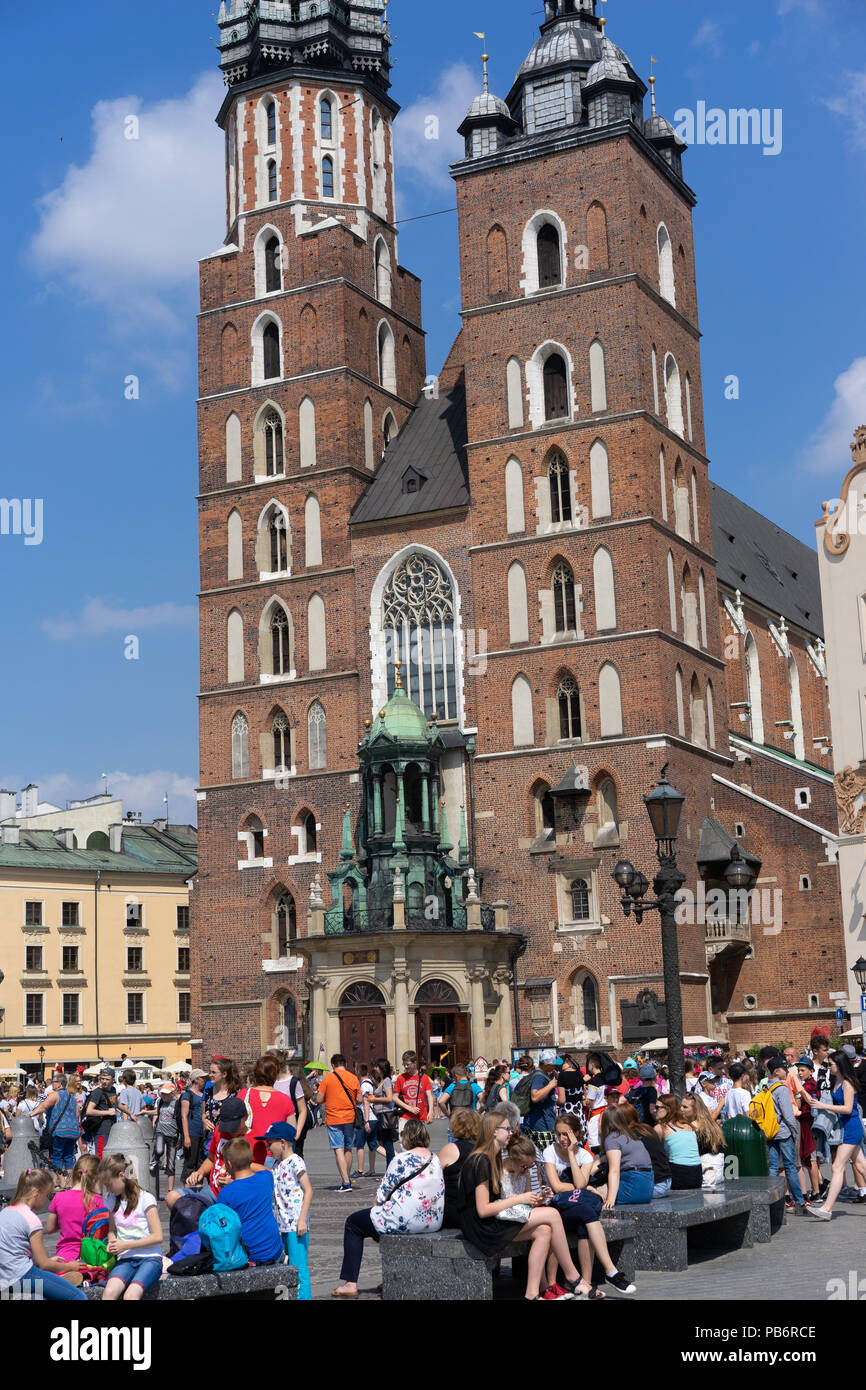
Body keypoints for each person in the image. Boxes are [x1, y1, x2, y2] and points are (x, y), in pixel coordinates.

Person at [456, 1112, 586, 1302]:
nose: (510, 1133)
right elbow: (483, 1210)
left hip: (493, 1221)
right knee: (552, 1214)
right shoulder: (481, 1160)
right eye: (507, 1129)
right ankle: (573, 1276)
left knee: (544, 1230)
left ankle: (532, 1293)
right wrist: (521, 1199)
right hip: (482, 1228)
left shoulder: (491, 1158)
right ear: (493, 1131)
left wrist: (530, 1200)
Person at [332, 1119, 444, 1298]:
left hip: (406, 1220)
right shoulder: (435, 1159)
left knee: (354, 1223)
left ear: (406, 1137)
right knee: (386, 1221)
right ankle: (395, 1277)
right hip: (432, 1221)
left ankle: (350, 1283)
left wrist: (377, 1207)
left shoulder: (401, 1159)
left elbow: (381, 1196)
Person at [539, 1116, 636, 1294]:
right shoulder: (549, 1152)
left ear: (576, 1134)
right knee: (586, 1211)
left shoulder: (583, 1155)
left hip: (574, 1209)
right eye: (559, 1134)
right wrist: (583, 1187)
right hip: (555, 1210)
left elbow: (579, 1184)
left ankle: (587, 1283)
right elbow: (558, 1186)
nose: (561, 1139)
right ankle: (610, 1271)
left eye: (566, 1134)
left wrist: (571, 1154)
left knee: (584, 1223)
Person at [0, 1170, 87, 1301]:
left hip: (6, 1280)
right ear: (36, 1193)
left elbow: (11, 1252)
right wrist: (70, 1266)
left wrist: (48, 1261)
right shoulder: (31, 1219)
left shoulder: (5, 1212)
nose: (48, 1200)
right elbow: (44, 1264)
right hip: (24, 1275)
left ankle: (53, 1284)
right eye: (48, 1195)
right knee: (79, 1296)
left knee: (40, 1297)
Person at [801, 1050, 865, 1219]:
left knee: (837, 1167)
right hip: (846, 1126)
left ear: (840, 1064)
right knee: (861, 1166)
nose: (828, 1067)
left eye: (831, 1064)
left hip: (851, 1127)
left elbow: (848, 1108)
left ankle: (827, 1208)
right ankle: (826, 1208)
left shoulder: (847, 1083)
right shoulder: (838, 1080)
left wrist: (824, 1106)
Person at [98, 1154, 165, 1300]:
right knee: (109, 1293)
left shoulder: (146, 1199)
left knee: (131, 1295)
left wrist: (126, 1245)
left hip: (150, 1258)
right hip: (126, 1259)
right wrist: (112, 1242)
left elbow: (158, 1236)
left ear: (122, 1176)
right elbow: (112, 1230)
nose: (108, 1189)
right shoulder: (112, 1200)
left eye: (109, 1184)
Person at [173, 1094, 251, 1208]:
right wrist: (199, 1173)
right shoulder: (219, 1131)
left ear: (245, 1117)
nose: (230, 1131)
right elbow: (211, 1159)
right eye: (227, 1126)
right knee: (173, 1197)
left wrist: (235, 1184)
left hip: (235, 1197)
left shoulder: (253, 1140)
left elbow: (255, 1177)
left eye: (233, 1126)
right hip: (212, 1191)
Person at [264, 1122, 313, 1300]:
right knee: (286, 1268)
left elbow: (308, 1190)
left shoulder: (295, 1162)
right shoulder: (276, 1164)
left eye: (270, 1144)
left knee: (299, 1267)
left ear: (283, 1143)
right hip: (282, 1224)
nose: (268, 1148)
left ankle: (304, 1297)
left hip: (295, 1224)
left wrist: (302, 1220)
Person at [217, 1137, 284, 1265]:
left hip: (250, 1255)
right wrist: (247, 1162)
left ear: (229, 1164)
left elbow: (224, 1227)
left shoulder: (226, 1193)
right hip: (273, 1249)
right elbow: (266, 1170)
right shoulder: (266, 1179)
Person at [763, 1056, 808, 1214]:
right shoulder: (781, 1088)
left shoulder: (765, 1087)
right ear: (776, 1071)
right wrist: (795, 1132)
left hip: (770, 1132)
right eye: (785, 1069)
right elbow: (788, 1115)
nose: (787, 1071)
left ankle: (772, 1202)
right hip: (783, 1132)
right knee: (790, 1167)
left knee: (773, 1167)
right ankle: (800, 1202)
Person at [315, 1054, 362, 1192]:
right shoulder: (353, 1078)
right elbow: (359, 1099)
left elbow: (319, 1099)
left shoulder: (328, 1078)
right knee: (348, 1148)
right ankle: (346, 1179)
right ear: (345, 1064)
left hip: (334, 1117)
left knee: (338, 1149)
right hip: (349, 1117)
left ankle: (346, 1182)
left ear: (333, 1065)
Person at [239, 1055, 297, 1167]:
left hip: (246, 1153)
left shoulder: (243, 1094)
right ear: (275, 1074)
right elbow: (292, 1131)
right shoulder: (284, 1099)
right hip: (273, 1153)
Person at [44, 1155, 101, 1264]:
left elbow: (49, 1228)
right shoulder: (98, 1201)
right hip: (90, 1256)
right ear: (96, 1177)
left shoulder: (59, 1197)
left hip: (64, 1256)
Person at [596, 1107, 654, 1207]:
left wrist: (610, 1199)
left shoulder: (612, 1139)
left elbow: (614, 1171)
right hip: (647, 1187)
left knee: (595, 1192)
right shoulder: (631, 1135)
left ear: (605, 1122)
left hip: (632, 1185)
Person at [618, 1102, 672, 1198]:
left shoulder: (629, 1136)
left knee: (610, 1191)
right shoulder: (647, 1128)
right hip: (666, 1182)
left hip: (656, 1186)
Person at [438, 1108, 481, 1228]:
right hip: (476, 1210)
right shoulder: (482, 1149)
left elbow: (435, 1178)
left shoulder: (450, 1149)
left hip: (453, 1210)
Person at [28, 1073, 81, 1171]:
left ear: (60, 1084)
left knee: (56, 1157)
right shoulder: (72, 1097)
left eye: (54, 1082)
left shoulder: (55, 1095)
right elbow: (77, 1114)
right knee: (68, 1157)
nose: (52, 1084)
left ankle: (61, 1183)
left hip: (59, 1131)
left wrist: (30, 1115)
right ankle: (68, 1182)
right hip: (73, 1131)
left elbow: (43, 1106)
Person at [654, 1095, 703, 1190]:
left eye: (657, 1107)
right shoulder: (688, 1125)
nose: (654, 1110)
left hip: (679, 1175)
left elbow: (653, 1155)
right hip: (697, 1175)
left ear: (668, 1109)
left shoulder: (661, 1128)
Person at [272, 1053, 310, 1158]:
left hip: (288, 1131)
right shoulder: (270, 1082)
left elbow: (302, 1110)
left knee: (291, 1161)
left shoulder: (293, 1082)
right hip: (272, 1132)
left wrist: (297, 1132)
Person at [151, 1081, 182, 1194]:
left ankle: (170, 1189)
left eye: (166, 1094)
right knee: (159, 1149)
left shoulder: (177, 1104)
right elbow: (157, 1112)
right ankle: (154, 1160)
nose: (163, 1096)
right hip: (160, 1132)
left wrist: (181, 1137)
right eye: (162, 1093)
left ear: (172, 1093)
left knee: (171, 1163)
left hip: (172, 1135)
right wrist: (146, 1112)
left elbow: (181, 1120)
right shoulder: (160, 1102)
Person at [523, 1053, 558, 1150]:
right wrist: (550, 1085)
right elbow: (535, 1096)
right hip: (542, 1126)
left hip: (537, 1123)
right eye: (553, 1064)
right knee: (547, 1156)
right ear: (546, 1065)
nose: (555, 1066)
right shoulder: (539, 1077)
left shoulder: (539, 1074)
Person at [366, 1061, 398, 1169]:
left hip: (385, 1115)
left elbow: (389, 1098)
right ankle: (391, 1168)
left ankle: (390, 1169)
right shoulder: (383, 1081)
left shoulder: (387, 1081)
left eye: (377, 1067)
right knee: (385, 1143)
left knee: (387, 1144)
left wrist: (375, 1099)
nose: (375, 1069)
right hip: (380, 1114)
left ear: (382, 1068)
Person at [393, 1051, 433, 1135]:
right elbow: (394, 1097)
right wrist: (409, 1108)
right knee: (404, 1142)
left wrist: (431, 1112)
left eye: (408, 1064)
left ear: (415, 1063)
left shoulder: (424, 1078)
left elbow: (429, 1095)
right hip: (405, 1116)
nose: (406, 1067)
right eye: (404, 1064)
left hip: (420, 1117)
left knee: (418, 1144)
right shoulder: (401, 1078)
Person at [203, 1057, 242, 1140]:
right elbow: (203, 1113)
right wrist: (204, 1121)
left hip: (228, 1140)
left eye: (214, 1072)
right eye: (210, 1072)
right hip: (209, 1141)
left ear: (224, 1074)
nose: (210, 1075)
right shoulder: (208, 1092)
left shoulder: (236, 1094)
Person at [180, 1069, 208, 1181]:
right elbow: (184, 1116)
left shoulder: (203, 1095)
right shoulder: (187, 1095)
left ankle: (198, 1188)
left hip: (203, 1133)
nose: (205, 1080)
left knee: (200, 1164)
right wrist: (186, 1137)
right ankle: (188, 1190)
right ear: (196, 1079)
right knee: (190, 1164)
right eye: (203, 1078)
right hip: (192, 1133)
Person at [83, 1067, 118, 1158]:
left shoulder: (113, 1090)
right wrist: (107, 1112)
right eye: (102, 1079)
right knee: (100, 1157)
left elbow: (115, 1103)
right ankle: (84, 1173)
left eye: (107, 1079)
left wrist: (129, 1113)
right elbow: (89, 1111)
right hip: (101, 1130)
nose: (104, 1081)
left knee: (110, 1157)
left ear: (113, 1080)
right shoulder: (98, 1092)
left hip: (112, 1129)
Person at [353, 1064, 377, 1178]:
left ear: (358, 1071)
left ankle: (360, 1169)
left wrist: (366, 1121)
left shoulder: (364, 1085)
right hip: (372, 1118)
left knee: (360, 1144)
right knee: (372, 1145)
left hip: (367, 1118)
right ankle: (371, 1169)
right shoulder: (370, 1083)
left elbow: (366, 1103)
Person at [583, 1053, 608, 1152]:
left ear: (592, 1064)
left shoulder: (594, 1082)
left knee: (596, 1147)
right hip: (606, 1114)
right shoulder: (606, 1078)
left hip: (596, 1116)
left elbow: (590, 1103)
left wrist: (585, 1096)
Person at [556, 1054, 586, 1129]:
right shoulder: (579, 1074)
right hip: (579, 1113)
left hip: (567, 1114)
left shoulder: (562, 1076)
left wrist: (554, 1100)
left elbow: (562, 1100)